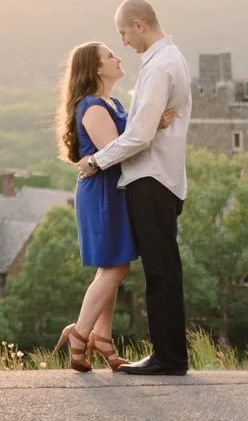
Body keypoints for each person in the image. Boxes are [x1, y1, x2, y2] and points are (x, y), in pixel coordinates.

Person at [76, 0, 193, 375]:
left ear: (140, 25)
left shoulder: (160, 66)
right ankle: (168, 355)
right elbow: (145, 127)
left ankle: (168, 358)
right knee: (162, 269)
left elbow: (139, 135)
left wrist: (96, 161)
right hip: (160, 177)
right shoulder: (166, 61)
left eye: (124, 33)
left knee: (161, 271)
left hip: (152, 178)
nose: (123, 42)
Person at [54, 40, 176, 370]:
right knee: (116, 268)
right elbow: (115, 150)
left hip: (114, 189)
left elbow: (126, 141)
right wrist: (152, 126)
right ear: (95, 68)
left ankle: (102, 337)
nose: (117, 57)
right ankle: (80, 333)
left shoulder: (113, 103)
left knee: (111, 266)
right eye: (109, 55)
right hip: (103, 193)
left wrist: (152, 125)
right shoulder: (93, 106)